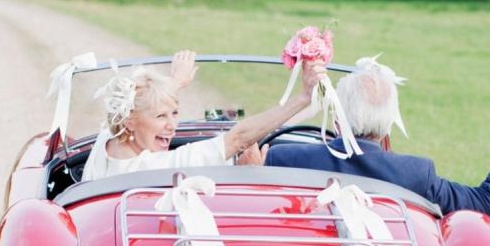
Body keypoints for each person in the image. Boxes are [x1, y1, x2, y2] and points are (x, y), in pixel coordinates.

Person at [258, 57, 490, 221]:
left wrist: (250, 168)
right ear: (389, 127)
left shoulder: (282, 159)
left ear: (337, 120)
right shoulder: (415, 174)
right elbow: (489, 203)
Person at [82, 50, 325, 180]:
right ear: (130, 122)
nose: (172, 126)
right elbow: (238, 139)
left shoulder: (106, 141)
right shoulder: (156, 167)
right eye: (161, 117)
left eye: (174, 113)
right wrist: (303, 98)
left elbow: (135, 106)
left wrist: (174, 84)